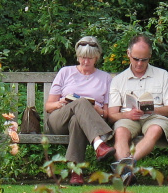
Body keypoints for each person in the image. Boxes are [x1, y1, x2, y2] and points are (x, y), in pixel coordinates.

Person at [108, 34, 168, 185]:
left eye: (144, 59)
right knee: (120, 132)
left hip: (154, 117)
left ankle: (126, 167)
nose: (139, 63)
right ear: (128, 54)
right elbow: (112, 115)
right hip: (128, 118)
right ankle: (128, 173)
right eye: (136, 59)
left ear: (150, 56)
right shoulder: (119, 80)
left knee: (155, 129)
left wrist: (152, 110)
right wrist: (127, 114)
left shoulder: (162, 75)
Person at [44, 36, 117, 167]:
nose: (85, 61)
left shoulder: (105, 78)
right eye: (82, 57)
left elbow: (105, 113)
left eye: (90, 58)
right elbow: (48, 106)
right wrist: (60, 104)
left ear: (97, 58)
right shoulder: (65, 72)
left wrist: (94, 109)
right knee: (81, 102)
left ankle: (75, 171)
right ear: (77, 57)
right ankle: (99, 142)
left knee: (77, 121)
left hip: (85, 122)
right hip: (60, 119)